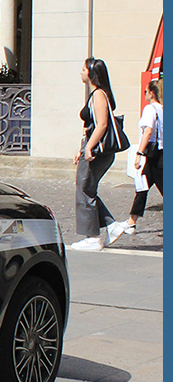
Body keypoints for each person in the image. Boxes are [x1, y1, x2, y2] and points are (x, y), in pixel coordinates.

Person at [71, 57, 125, 250]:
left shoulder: (99, 95)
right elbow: (91, 126)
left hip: (97, 151)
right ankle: (112, 225)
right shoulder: (97, 94)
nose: (81, 72)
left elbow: (101, 124)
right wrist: (82, 148)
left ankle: (93, 237)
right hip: (93, 147)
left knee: (84, 189)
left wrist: (88, 148)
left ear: (92, 73)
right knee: (87, 189)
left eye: (84, 69)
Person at [121, 79, 163, 234]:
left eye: (146, 91)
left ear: (151, 93)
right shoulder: (163, 109)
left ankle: (131, 222)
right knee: (142, 187)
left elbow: (148, 131)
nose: (145, 94)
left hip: (154, 157)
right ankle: (131, 222)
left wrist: (139, 153)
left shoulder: (150, 109)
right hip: (158, 155)